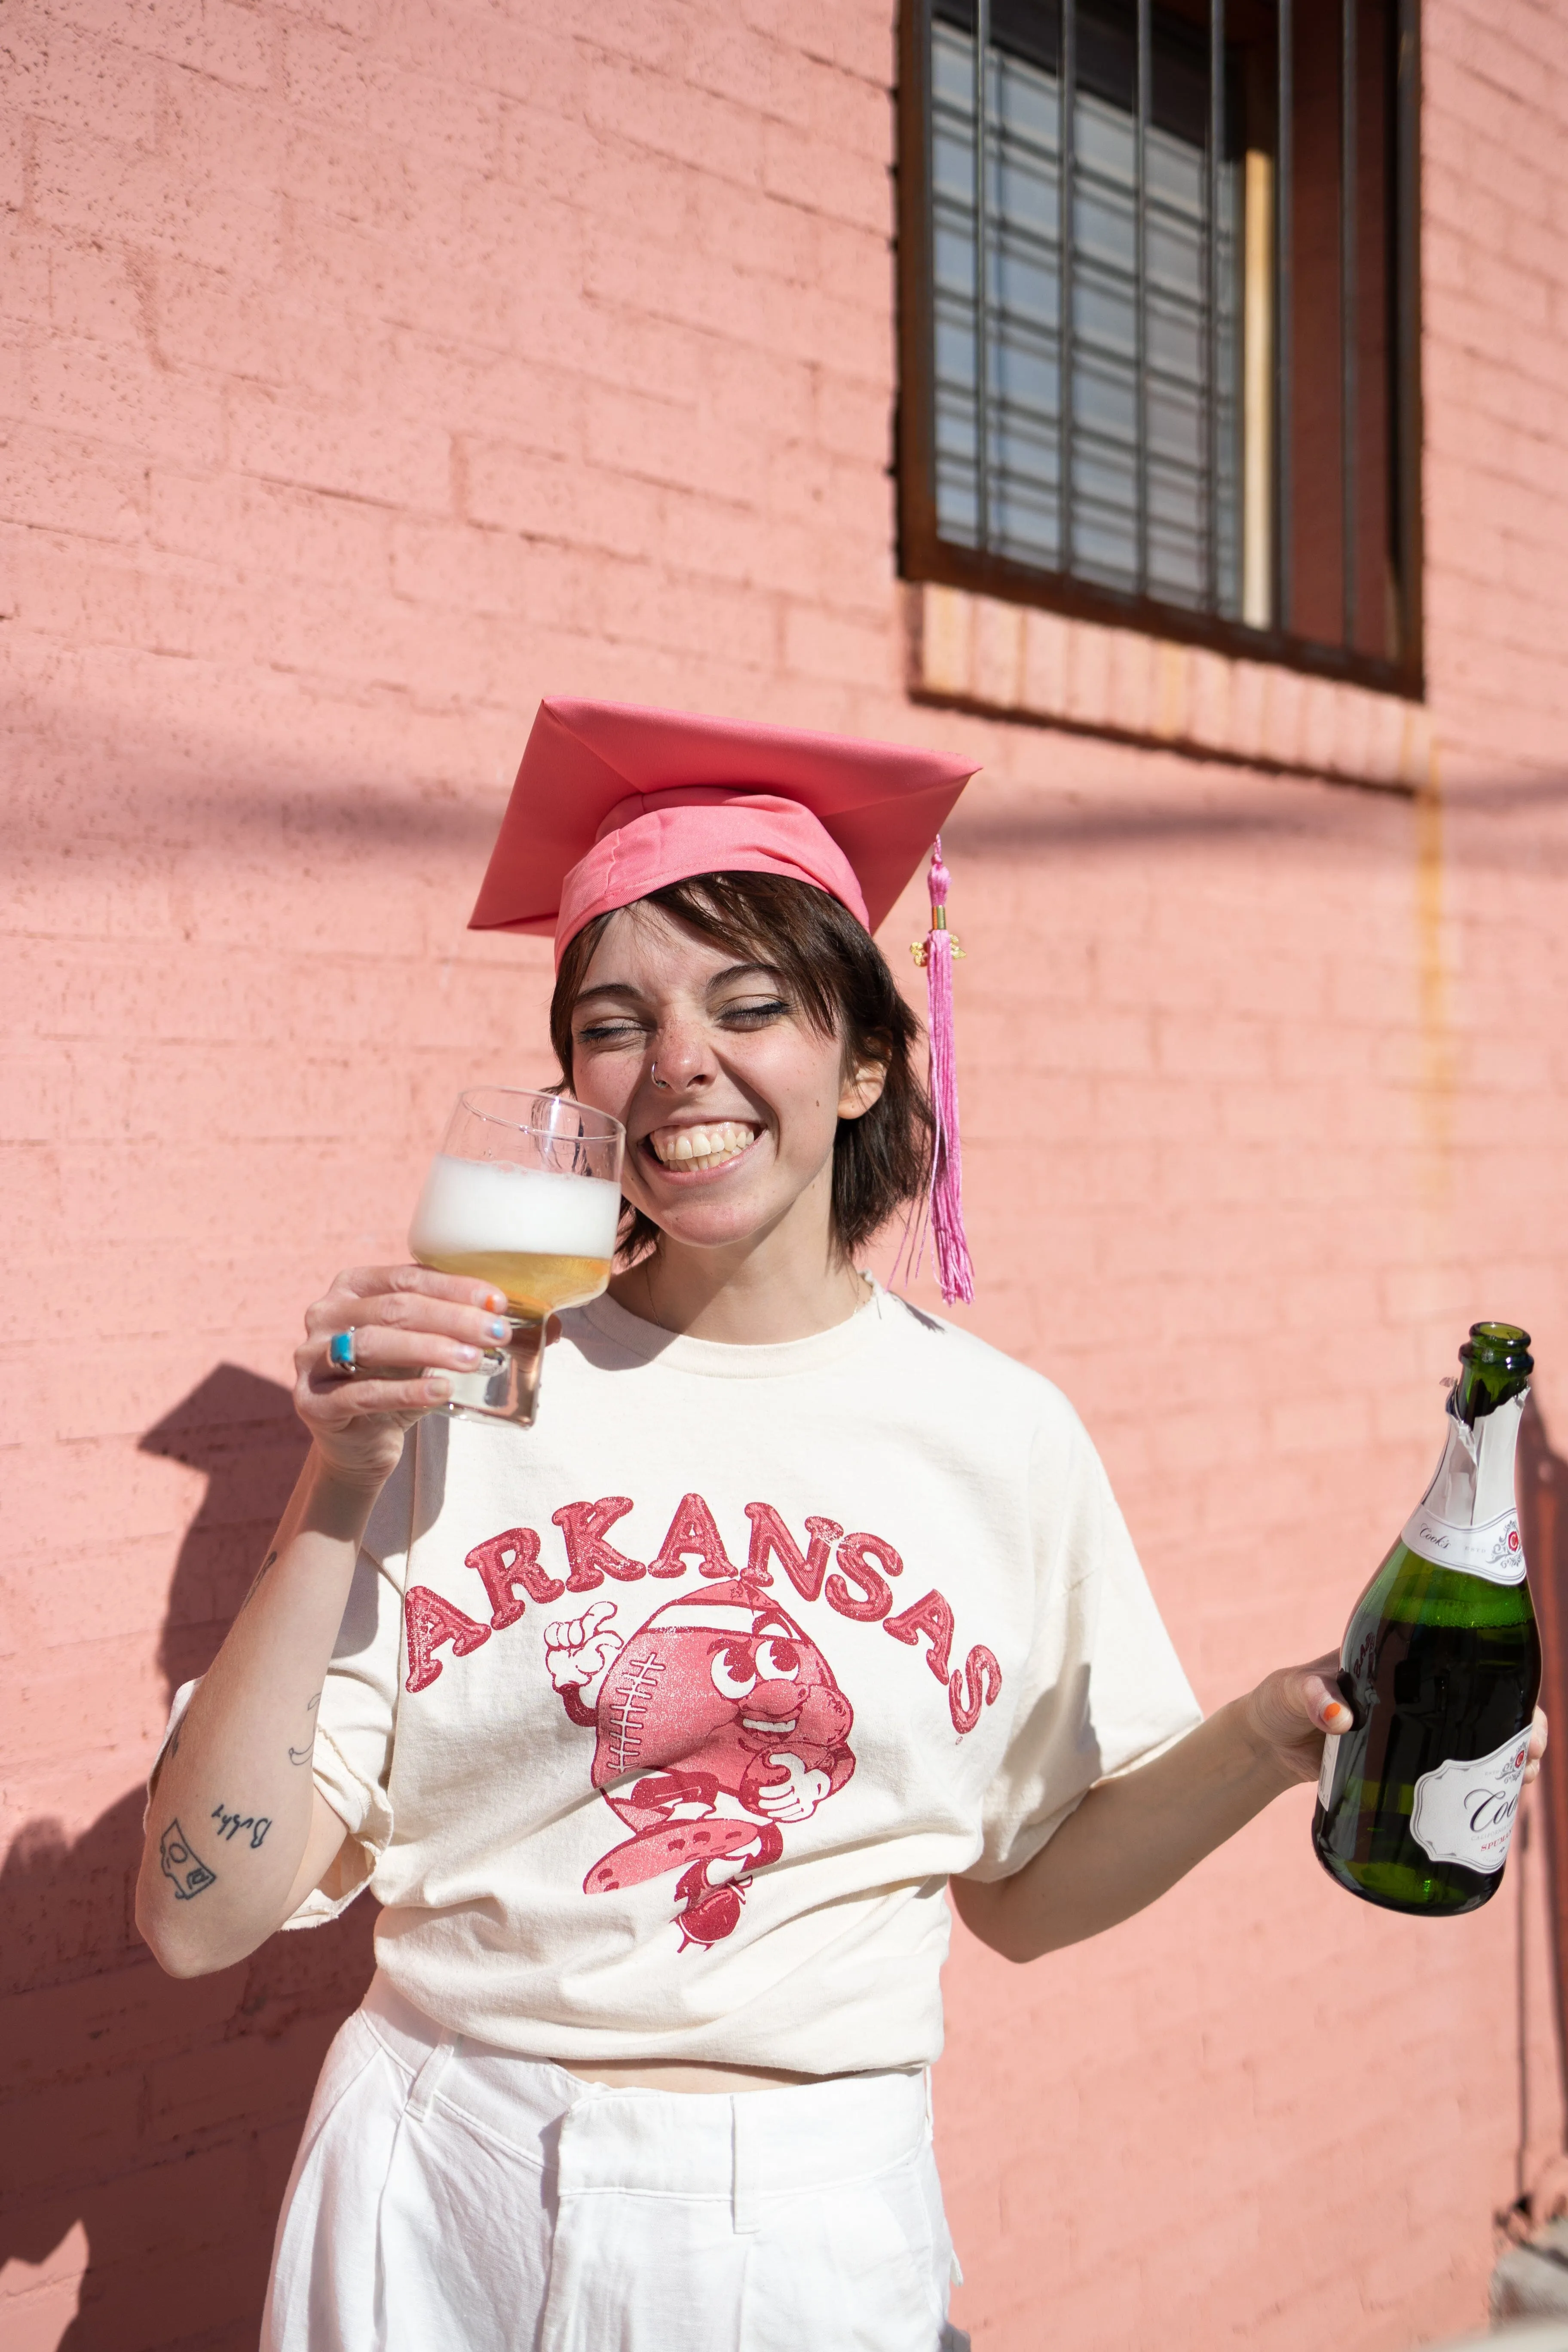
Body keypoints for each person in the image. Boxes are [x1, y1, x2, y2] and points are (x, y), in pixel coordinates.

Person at [135, 698, 1544, 2352]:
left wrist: (1259, 1734)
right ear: (575, 1087)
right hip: (430, 2187)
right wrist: (340, 1475)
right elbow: (191, 1916)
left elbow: (1018, 1894)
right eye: (612, 1023)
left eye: (750, 1005)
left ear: (866, 1056)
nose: (679, 1067)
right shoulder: (471, 1392)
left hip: (798, 2220)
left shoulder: (998, 1436)